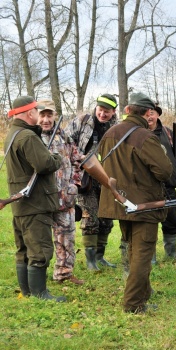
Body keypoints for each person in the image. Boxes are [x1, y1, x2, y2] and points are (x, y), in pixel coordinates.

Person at [98, 92, 172, 314]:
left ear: (128, 110)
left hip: (119, 203)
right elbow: (165, 171)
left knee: (132, 250)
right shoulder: (144, 137)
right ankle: (133, 304)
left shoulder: (110, 133)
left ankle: (142, 293)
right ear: (148, 112)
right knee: (142, 254)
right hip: (143, 205)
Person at [4, 96, 66, 301]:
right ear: (29, 112)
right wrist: (57, 158)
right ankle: (40, 294)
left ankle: (28, 292)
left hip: (21, 202)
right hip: (35, 202)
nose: (38, 115)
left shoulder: (13, 134)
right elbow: (44, 164)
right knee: (39, 249)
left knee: (23, 249)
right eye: (36, 111)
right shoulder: (28, 137)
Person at [65, 94, 118, 271]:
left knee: (107, 217)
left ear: (113, 112)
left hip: (107, 177)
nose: (102, 114)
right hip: (85, 177)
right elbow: (65, 142)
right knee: (90, 216)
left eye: (107, 112)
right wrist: (77, 162)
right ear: (96, 108)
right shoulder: (81, 121)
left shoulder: (116, 127)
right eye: (100, 110)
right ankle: (90, 261)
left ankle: (100, 256)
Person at [38, 99, 84, 285]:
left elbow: (77, 161)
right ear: (36, 116)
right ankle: (36, 276)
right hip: (40, 200)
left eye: (50, 115)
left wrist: (74, 185)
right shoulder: (31, 138)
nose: (46, 120)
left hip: (65, 199)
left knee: (66, 238)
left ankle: (64, 273)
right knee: (39, 241)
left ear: (55, 116)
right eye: (42, 115)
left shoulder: (64, 137)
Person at [147, 105, 176, 263]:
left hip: (169, 185)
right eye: (147, 113)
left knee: (171, 219)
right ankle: (151, 257)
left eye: (153, 113)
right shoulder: (138, 133)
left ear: (158, 114)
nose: (150, 116)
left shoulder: (168, 133)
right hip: (149, 187)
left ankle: (171, 253)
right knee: (150, 221)